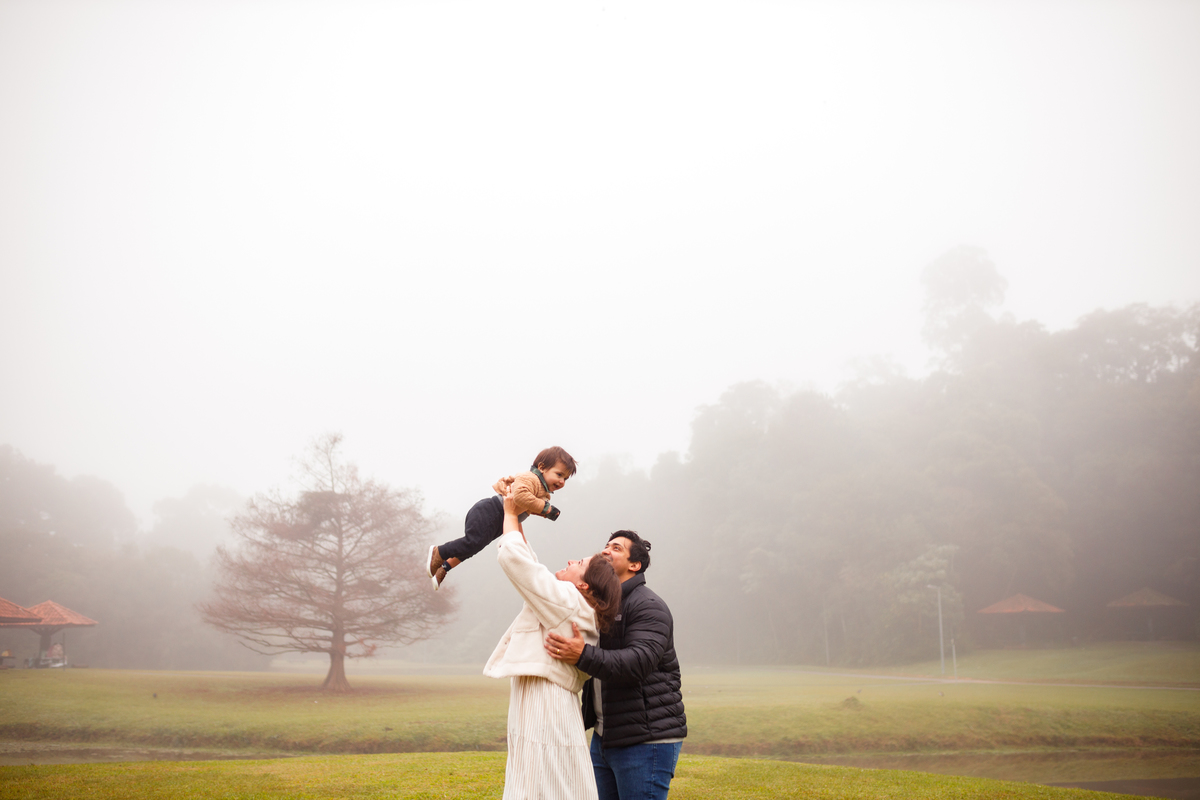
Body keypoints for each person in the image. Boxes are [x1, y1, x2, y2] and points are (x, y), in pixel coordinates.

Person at [484, 485, 622, 800]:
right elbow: (530, 564)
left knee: (541, 779)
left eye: (579, 563)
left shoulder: (571, 602)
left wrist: (509, 513)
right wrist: (517, 510)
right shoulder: (574, 603)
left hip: (545, 703)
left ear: (584, 584)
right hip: (548, 699)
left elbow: (518, 563)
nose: (571, 560)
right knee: (547, 776)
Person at [545, 531, 686, 800]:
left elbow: (637, 663)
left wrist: (582, 654)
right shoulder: (601, 605)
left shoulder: (648, 606)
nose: (606, 551)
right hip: (605, 737)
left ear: (635, 565)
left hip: (646, 739)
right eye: (606, 546)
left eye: (617, 548)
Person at [427, 446, 577, 590]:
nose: (562, 482)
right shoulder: (529, 478)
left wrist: (544, 512)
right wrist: (545, 508)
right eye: (559, 475)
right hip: (490, 511)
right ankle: (439, 552)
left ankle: (444, 568)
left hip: (499, 521)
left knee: (474, 547)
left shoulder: (541, 491)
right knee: (473, 542)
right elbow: (520, 497)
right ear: (542, 467)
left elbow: (528, 505)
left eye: (565, 478)